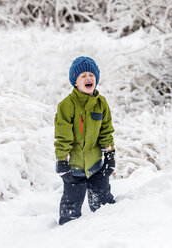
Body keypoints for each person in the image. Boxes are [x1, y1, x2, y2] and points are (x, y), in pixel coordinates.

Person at [54, 56, 116, 225]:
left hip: (96, 165)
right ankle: (67, 236)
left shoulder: (101, 103)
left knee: (105, 206)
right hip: (74, 169)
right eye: (83, 75)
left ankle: (107, 233)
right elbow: (62, 137)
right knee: (71, 208)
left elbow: (106, 131)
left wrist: (110, 155)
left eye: (91, 74)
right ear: (75, 81)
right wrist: (61, 160)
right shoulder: (66, 106)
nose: (88, 78)